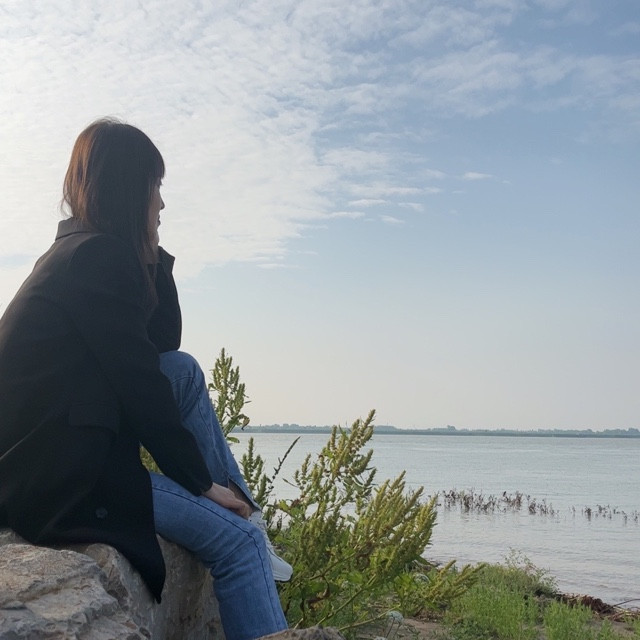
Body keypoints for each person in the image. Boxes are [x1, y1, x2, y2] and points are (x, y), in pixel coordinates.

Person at [0, 119, 290, 640]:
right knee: (238, 545)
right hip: (63, 477)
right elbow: (138, 385)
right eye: (155, 187)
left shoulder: (78, 252)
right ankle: (248, 526)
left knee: (183, 369)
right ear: (129, 188)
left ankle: (249, 511)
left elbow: (159, 350)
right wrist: (200, 483)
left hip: (61, 448)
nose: (161, 203)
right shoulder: (95, 258)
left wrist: (152, 252)